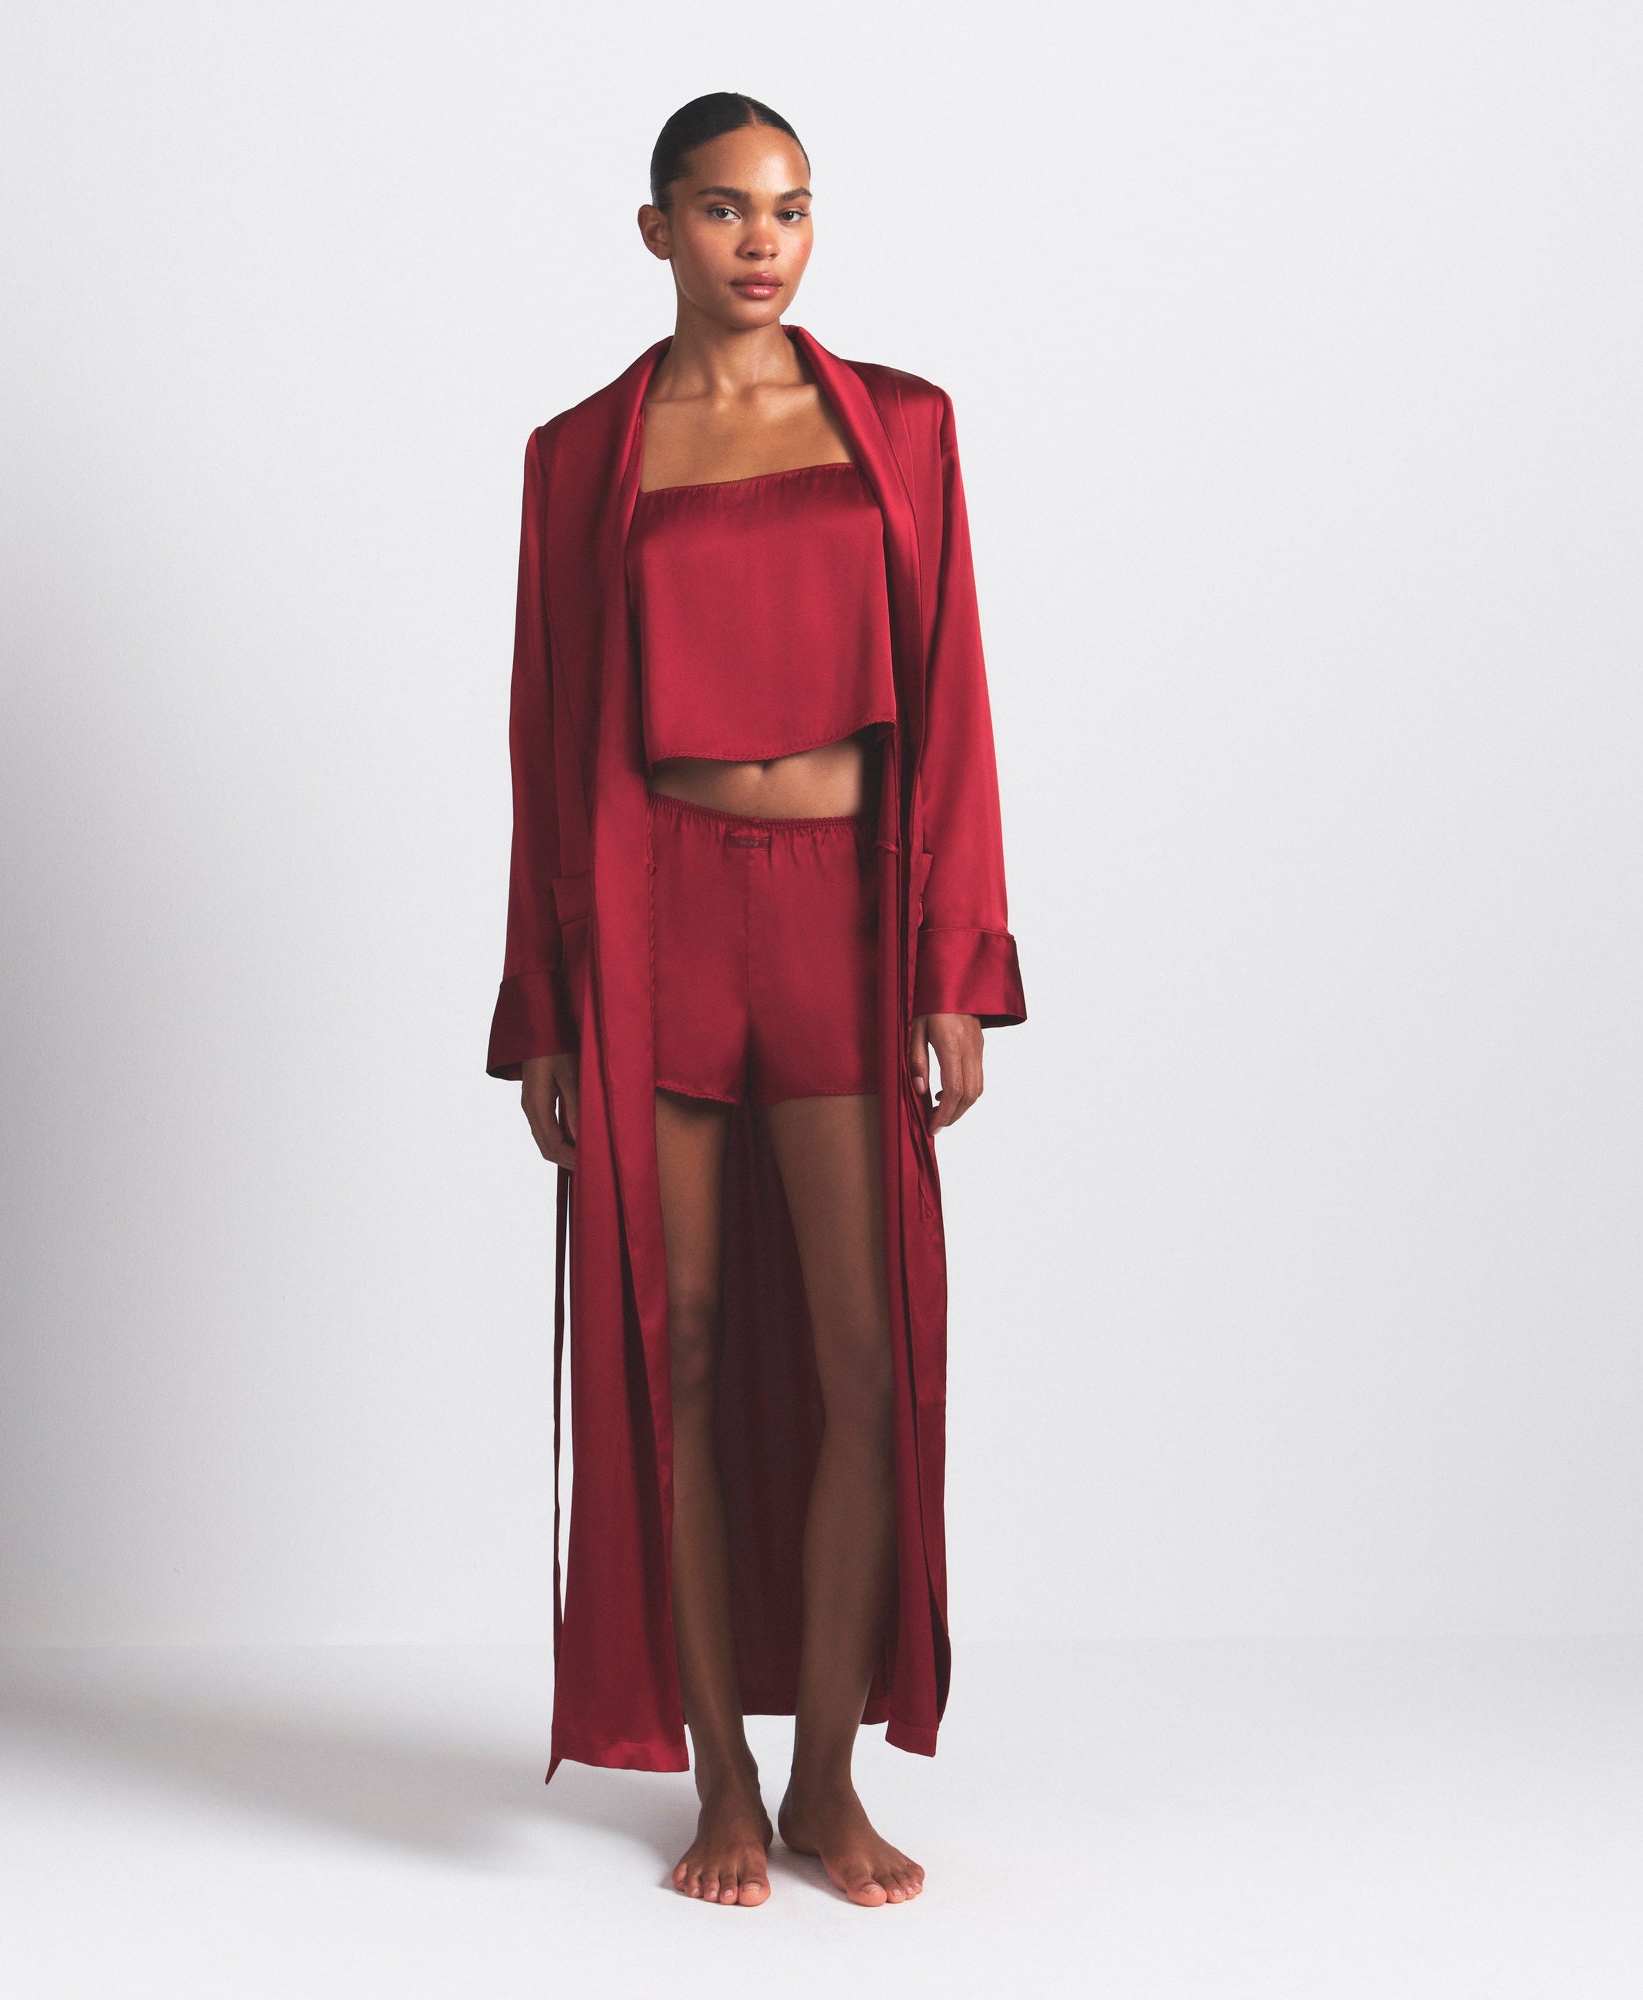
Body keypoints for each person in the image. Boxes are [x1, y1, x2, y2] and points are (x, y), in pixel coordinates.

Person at [485, 91, 1027, 1909]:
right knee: (683, 1351)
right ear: (657, 230)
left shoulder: (900, 429)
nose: (761, 241)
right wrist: (546, 1009)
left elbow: (954, 693)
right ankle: (719, 1783)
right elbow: (545, 738)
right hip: (657, 918)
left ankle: (824, 1783)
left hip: (842, 919)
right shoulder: (582, 456)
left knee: (872, 1362)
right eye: (722, 210)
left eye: (789, 208)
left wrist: (956, 965)